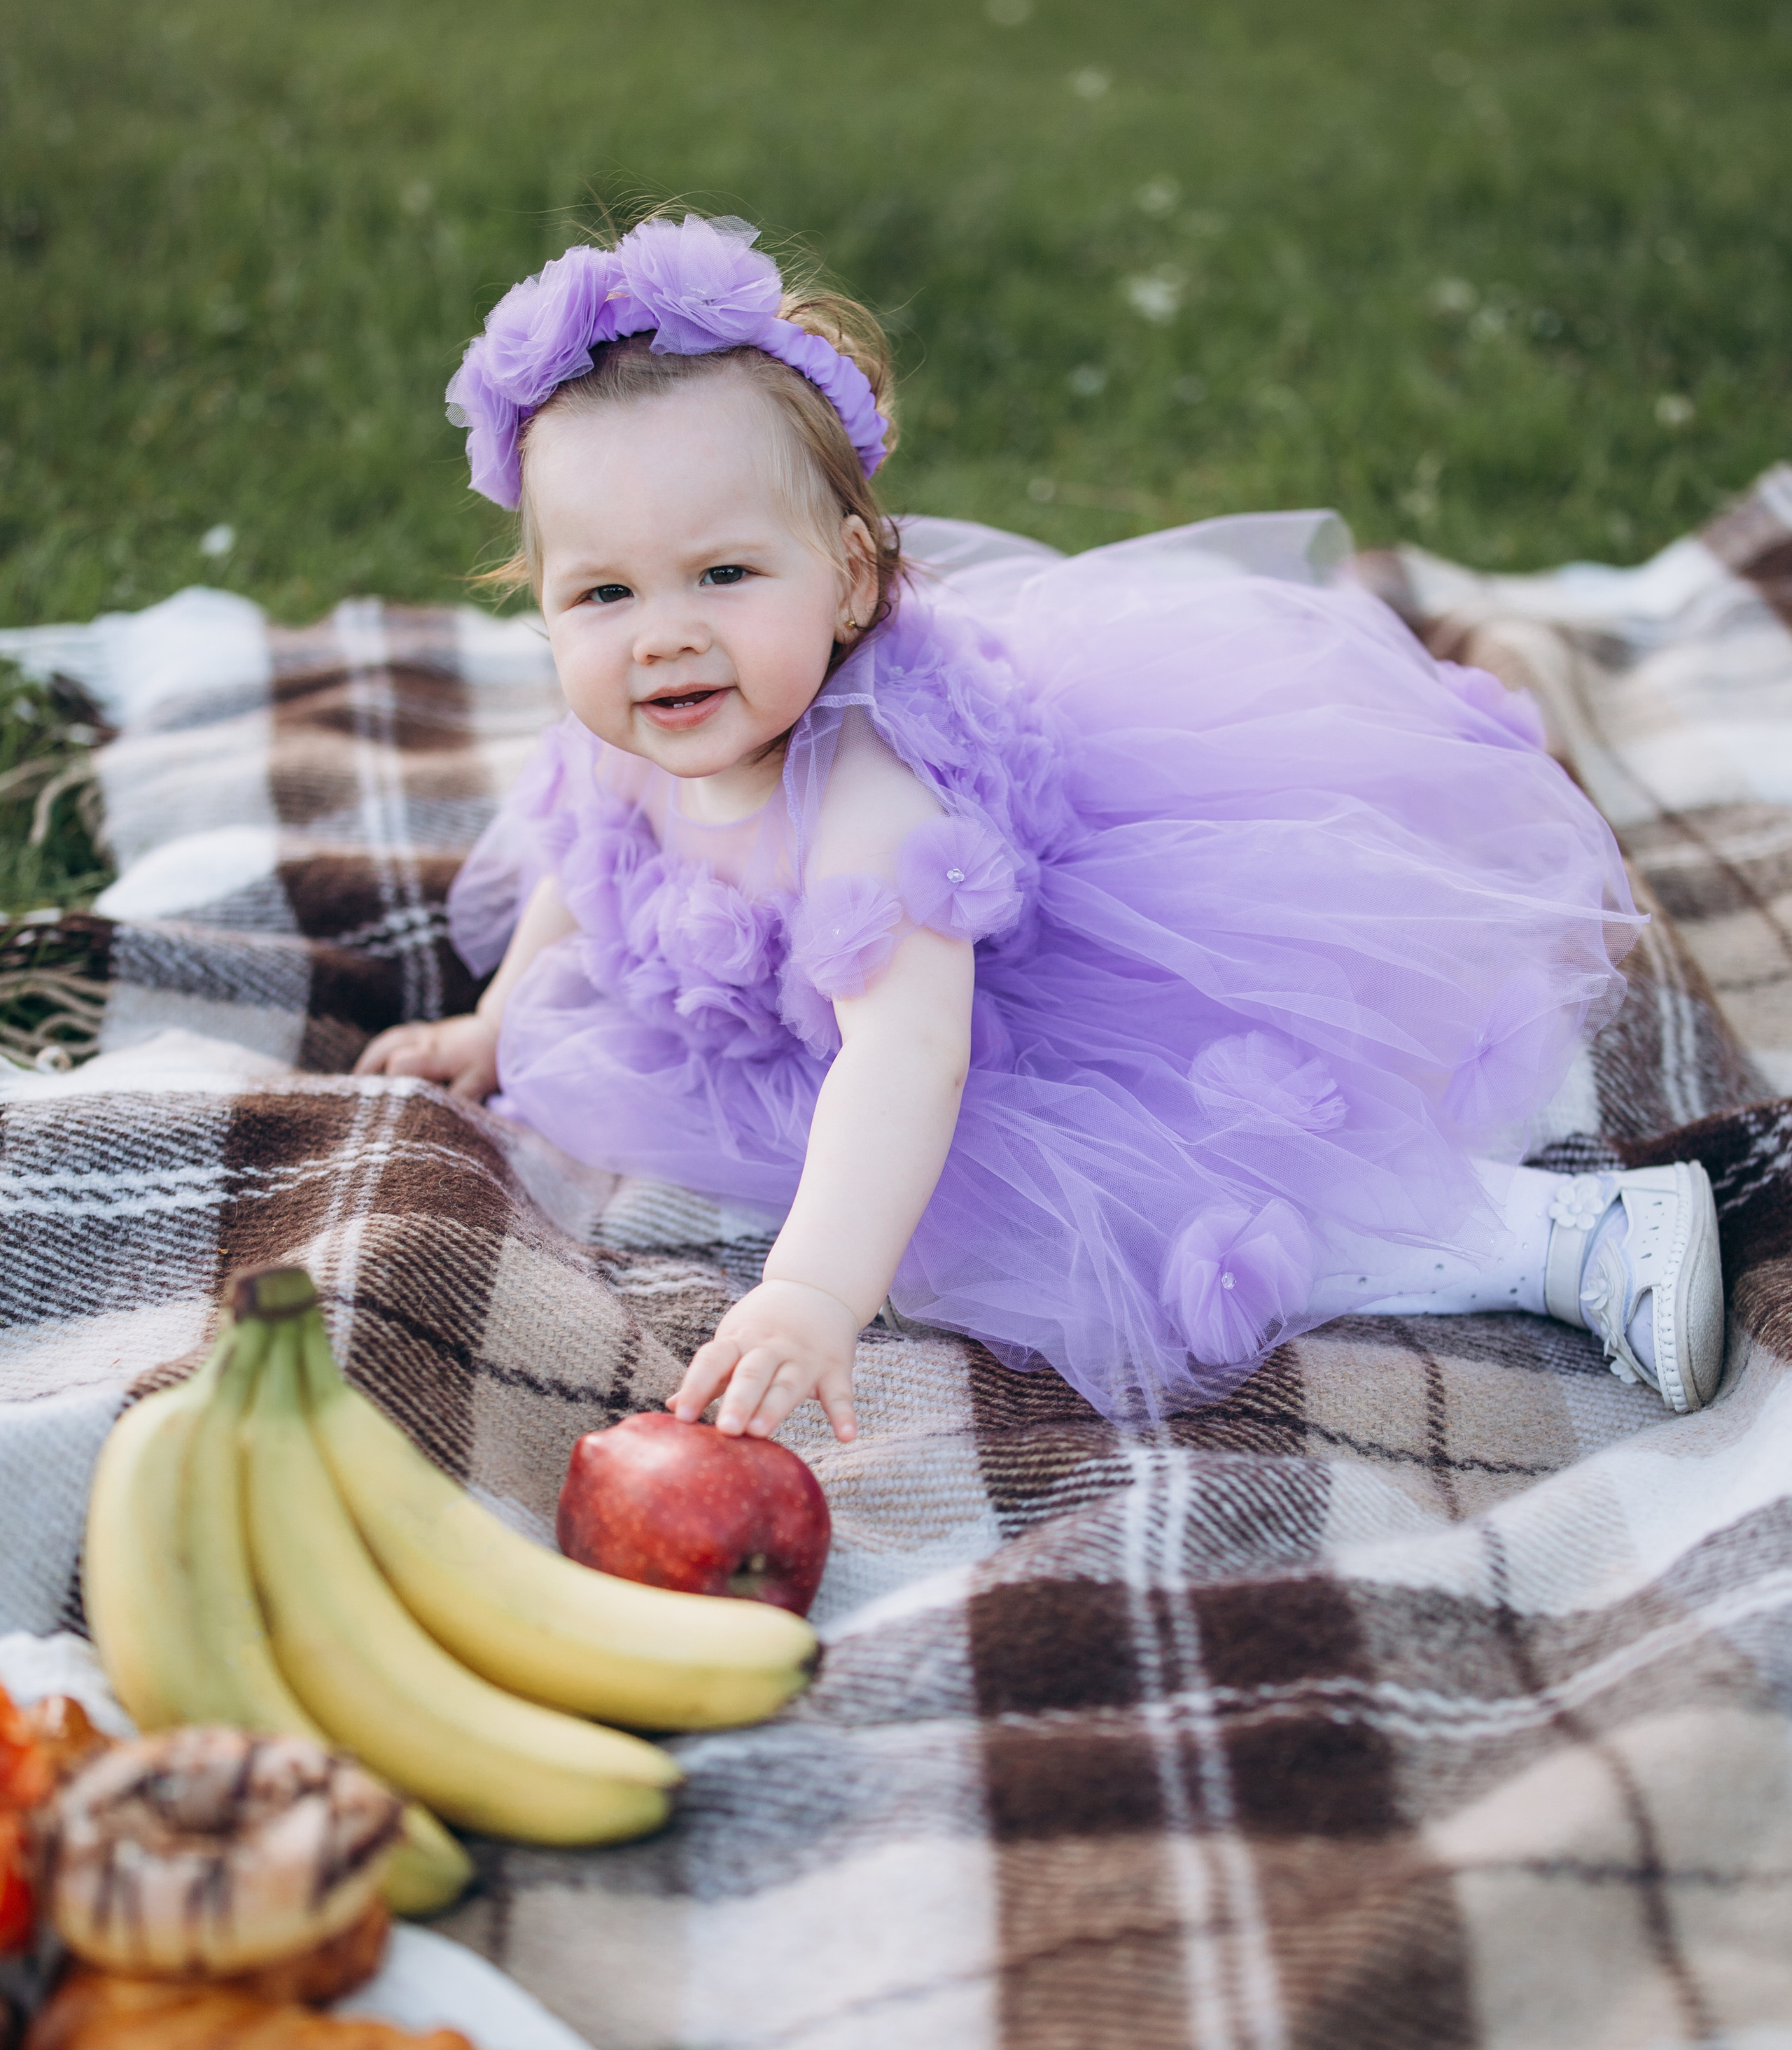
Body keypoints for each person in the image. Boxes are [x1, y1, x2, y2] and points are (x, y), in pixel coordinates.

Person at [358, 210, 1725, 1441]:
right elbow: (586, 859)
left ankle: (1572, 1235)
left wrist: (814, 1292)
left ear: (847, 581)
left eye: (722, 573)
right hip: (837, 1032)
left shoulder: (871, 805)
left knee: (1157, 1205)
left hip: (1004, 1025)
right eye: (603, 595)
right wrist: (498, 1016)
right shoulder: (640, 727)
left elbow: (906, 1060)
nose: (661, 636)